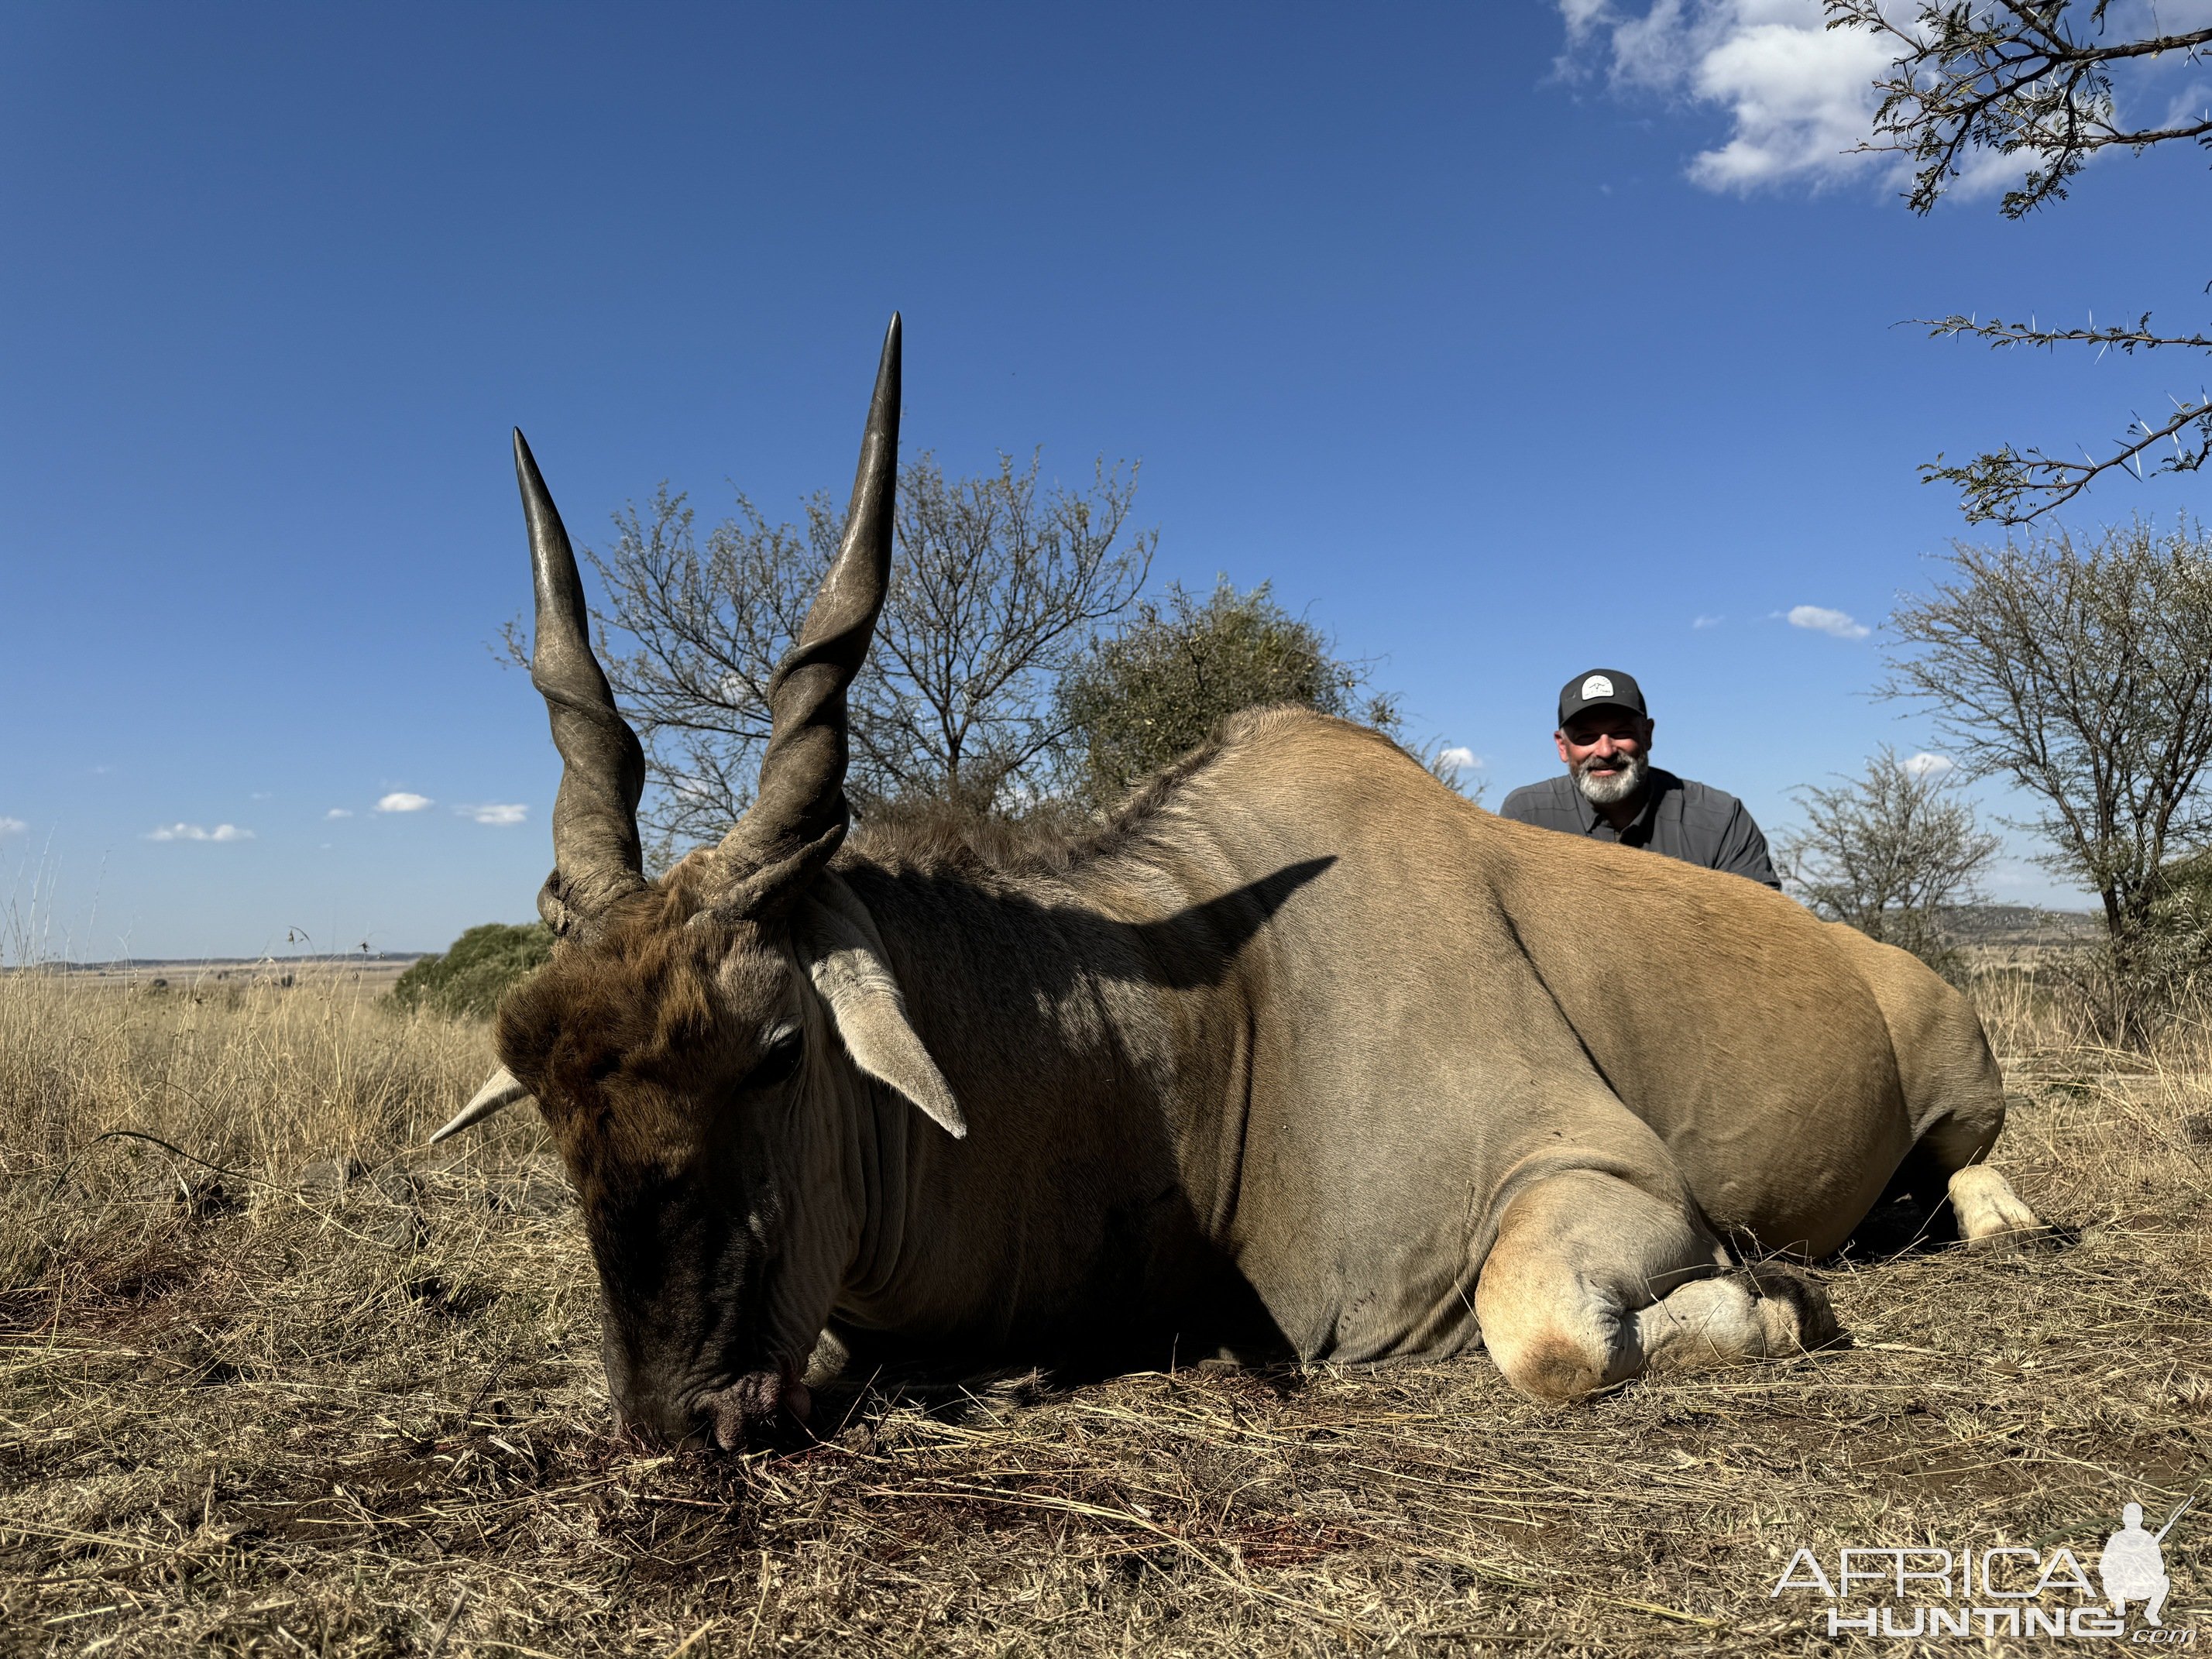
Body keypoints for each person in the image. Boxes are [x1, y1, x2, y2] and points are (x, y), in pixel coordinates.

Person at [1499, 668, 1780, 888]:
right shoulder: (1526, 818)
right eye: (1587, 737)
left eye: (1621, 733)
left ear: (1647, 735)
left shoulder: (1720, 819)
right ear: (1562, 746)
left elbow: (1762, 932)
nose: (1606, 750)